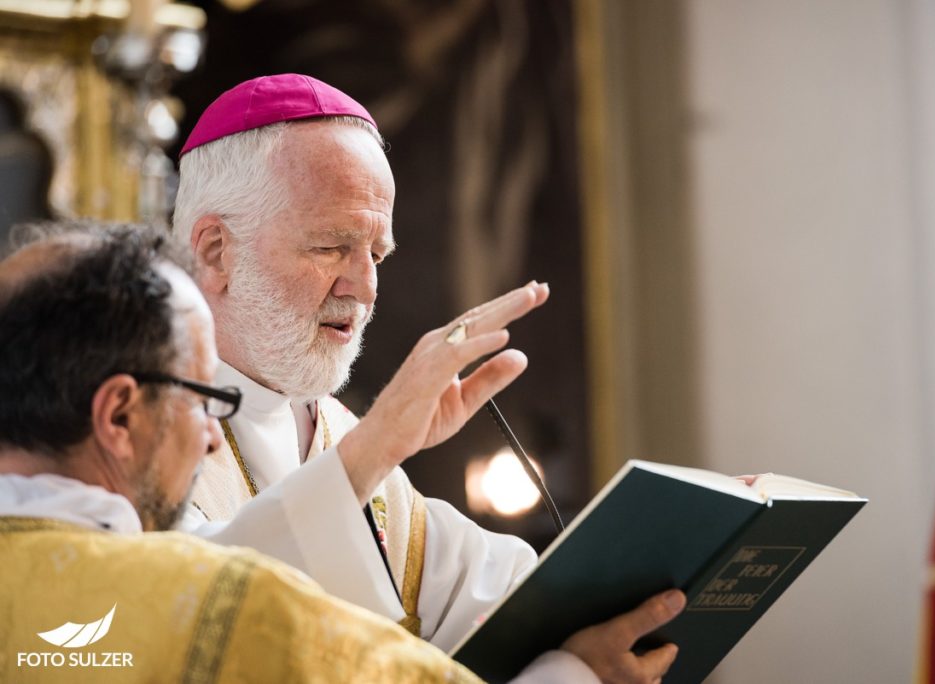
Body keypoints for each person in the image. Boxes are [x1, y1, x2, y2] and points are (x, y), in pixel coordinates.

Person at [171, 73, 685, 679]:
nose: (363, 287)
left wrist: (685, 537)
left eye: (376, 255)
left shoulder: (332, 430)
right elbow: (194, 616)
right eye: (330, 247)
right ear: (214, 250)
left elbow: (510, 597)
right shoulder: (125, 424)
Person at [0, 224, 482, 682]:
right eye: (200, 398)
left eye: (376, 254)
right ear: (120, 417)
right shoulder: (238, 610)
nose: (212, 435)